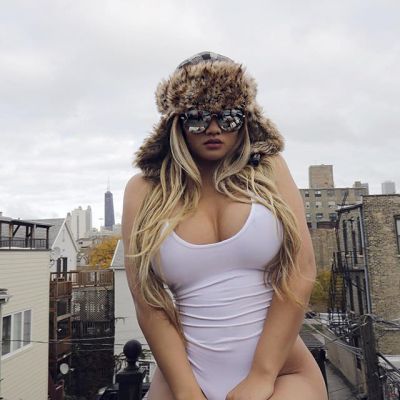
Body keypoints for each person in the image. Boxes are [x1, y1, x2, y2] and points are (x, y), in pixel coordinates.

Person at [122, 51, 328, 400]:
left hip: (283, 374)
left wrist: (262, 375)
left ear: (246, 118)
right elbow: (148, 303)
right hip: (180, 381)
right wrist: (188, 392)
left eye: (228, 116)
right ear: (176, 121)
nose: (214, 128)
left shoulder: (270, 170)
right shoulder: (143, 190)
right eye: (198, 117)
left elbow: (301, 272)